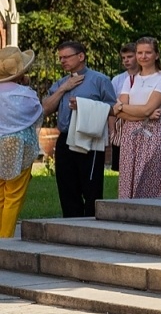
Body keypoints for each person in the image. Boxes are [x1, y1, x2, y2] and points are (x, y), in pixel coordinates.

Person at [40, 39, 116, 218]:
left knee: (91, 186)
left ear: (81, 56)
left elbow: (112, 107)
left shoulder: (100, 80)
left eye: (67, 57)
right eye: (60, 58)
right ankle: (70, 222)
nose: (62, 61)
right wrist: (63, 89)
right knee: (67, 186)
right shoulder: (60, 83)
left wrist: (85, 106)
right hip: (65, 137)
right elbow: (45, 108)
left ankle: (91, 224)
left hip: (89, 138)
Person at [112, 37, 161, 199]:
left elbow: (147, 109)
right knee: (128, 179)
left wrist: (121, 107)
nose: (143, 56)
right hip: (130, 134)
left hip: (153, 133)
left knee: (150, 179)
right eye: (140, 52)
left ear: (156, 55)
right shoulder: (130, 79)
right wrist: (139, 113)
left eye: (148, 52)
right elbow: (119, 114)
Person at [0, 48, 42, 237]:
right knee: (14, 195)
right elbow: (37, 113)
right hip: (19, 147)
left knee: (0, 194)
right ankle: (5, 238)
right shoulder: (25, 94)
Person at [109, 42, 136, 172]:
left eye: (129, 56)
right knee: (123, 170)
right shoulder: (117, 80)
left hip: (141, 125)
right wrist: (112, 131)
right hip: (121, 127)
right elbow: (112, 106)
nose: (126, 60)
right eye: (124, 58)